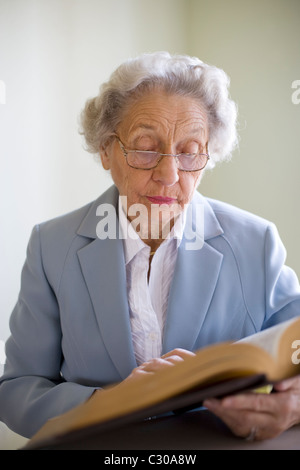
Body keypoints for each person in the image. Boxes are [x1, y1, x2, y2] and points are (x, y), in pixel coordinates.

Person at [1, 51, 300, 442]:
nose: (169, 174)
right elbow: (18, 389)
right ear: (107, 150)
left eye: (190, 151)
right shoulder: (52, 246)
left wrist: (291, 407)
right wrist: (106, 402)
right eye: (145, 147)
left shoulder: (255, 243)